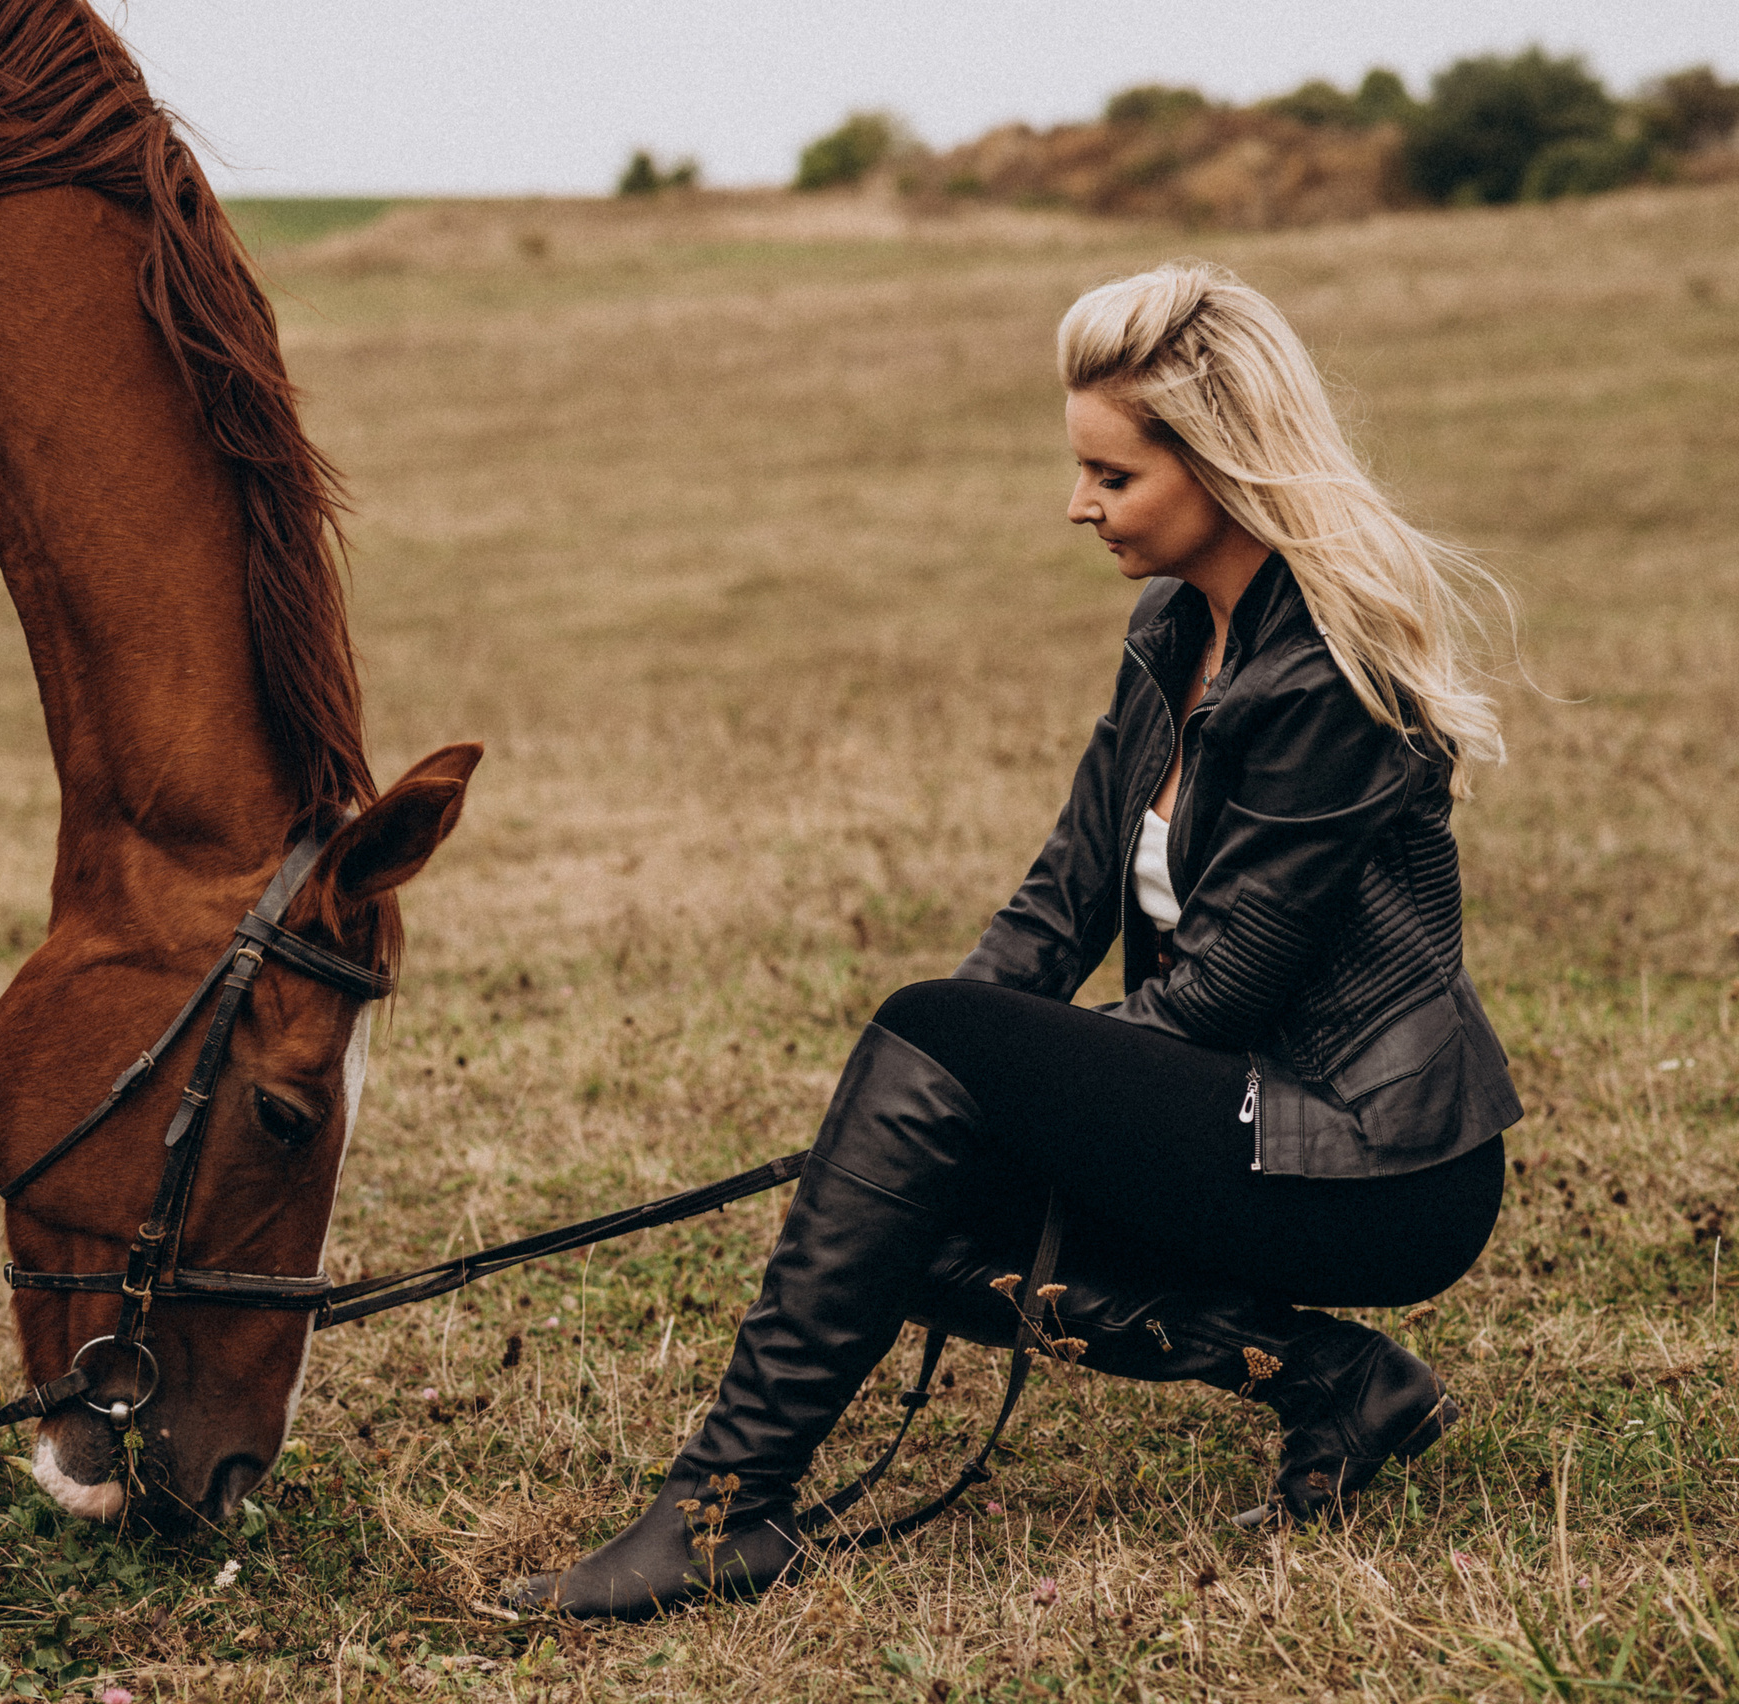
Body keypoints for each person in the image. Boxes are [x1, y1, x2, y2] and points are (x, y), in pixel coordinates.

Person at [514, 260, 1522, 1622]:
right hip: (1241, 1123)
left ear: (1221, 464)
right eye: (1082, 472)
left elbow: (1225, 990)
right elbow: (1058, 905)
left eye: (1114, 478)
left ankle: (721, 1508)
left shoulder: (1330, 678)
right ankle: (1340, 1385)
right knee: (890, 1196)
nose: (1079, 507)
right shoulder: (1175, 631)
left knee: (930, 1102)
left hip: (1376, 1162)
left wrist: (983, 1097)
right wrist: (916, 1113)